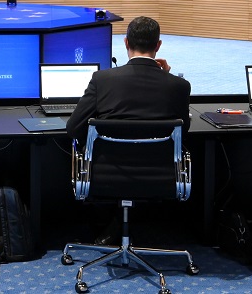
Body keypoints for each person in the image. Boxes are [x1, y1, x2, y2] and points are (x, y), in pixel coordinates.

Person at [66, 16, 191, 244]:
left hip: (105, 174)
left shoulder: (102, 80)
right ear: (158, 45)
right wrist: (167, 76)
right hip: (159, 176)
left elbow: (74, 128)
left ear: (125, 43)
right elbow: (184, 131)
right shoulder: (178, 86)